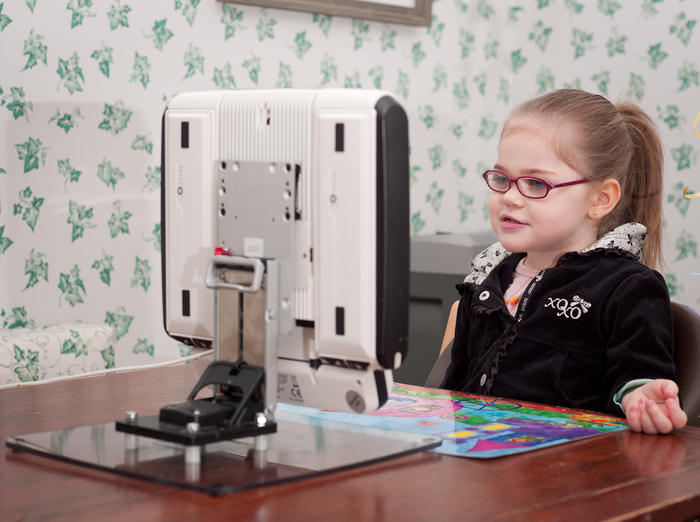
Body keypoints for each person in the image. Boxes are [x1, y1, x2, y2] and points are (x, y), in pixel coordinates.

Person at [441, 89, 687, 434]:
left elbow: (638, 373)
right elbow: (454, 393)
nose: (509, 197)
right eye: (501, 179)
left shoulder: (628, 287)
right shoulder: (485, 282)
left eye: (535, 183)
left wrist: (640, 395)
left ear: (600, 199)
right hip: (479, 466)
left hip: (567, 474)